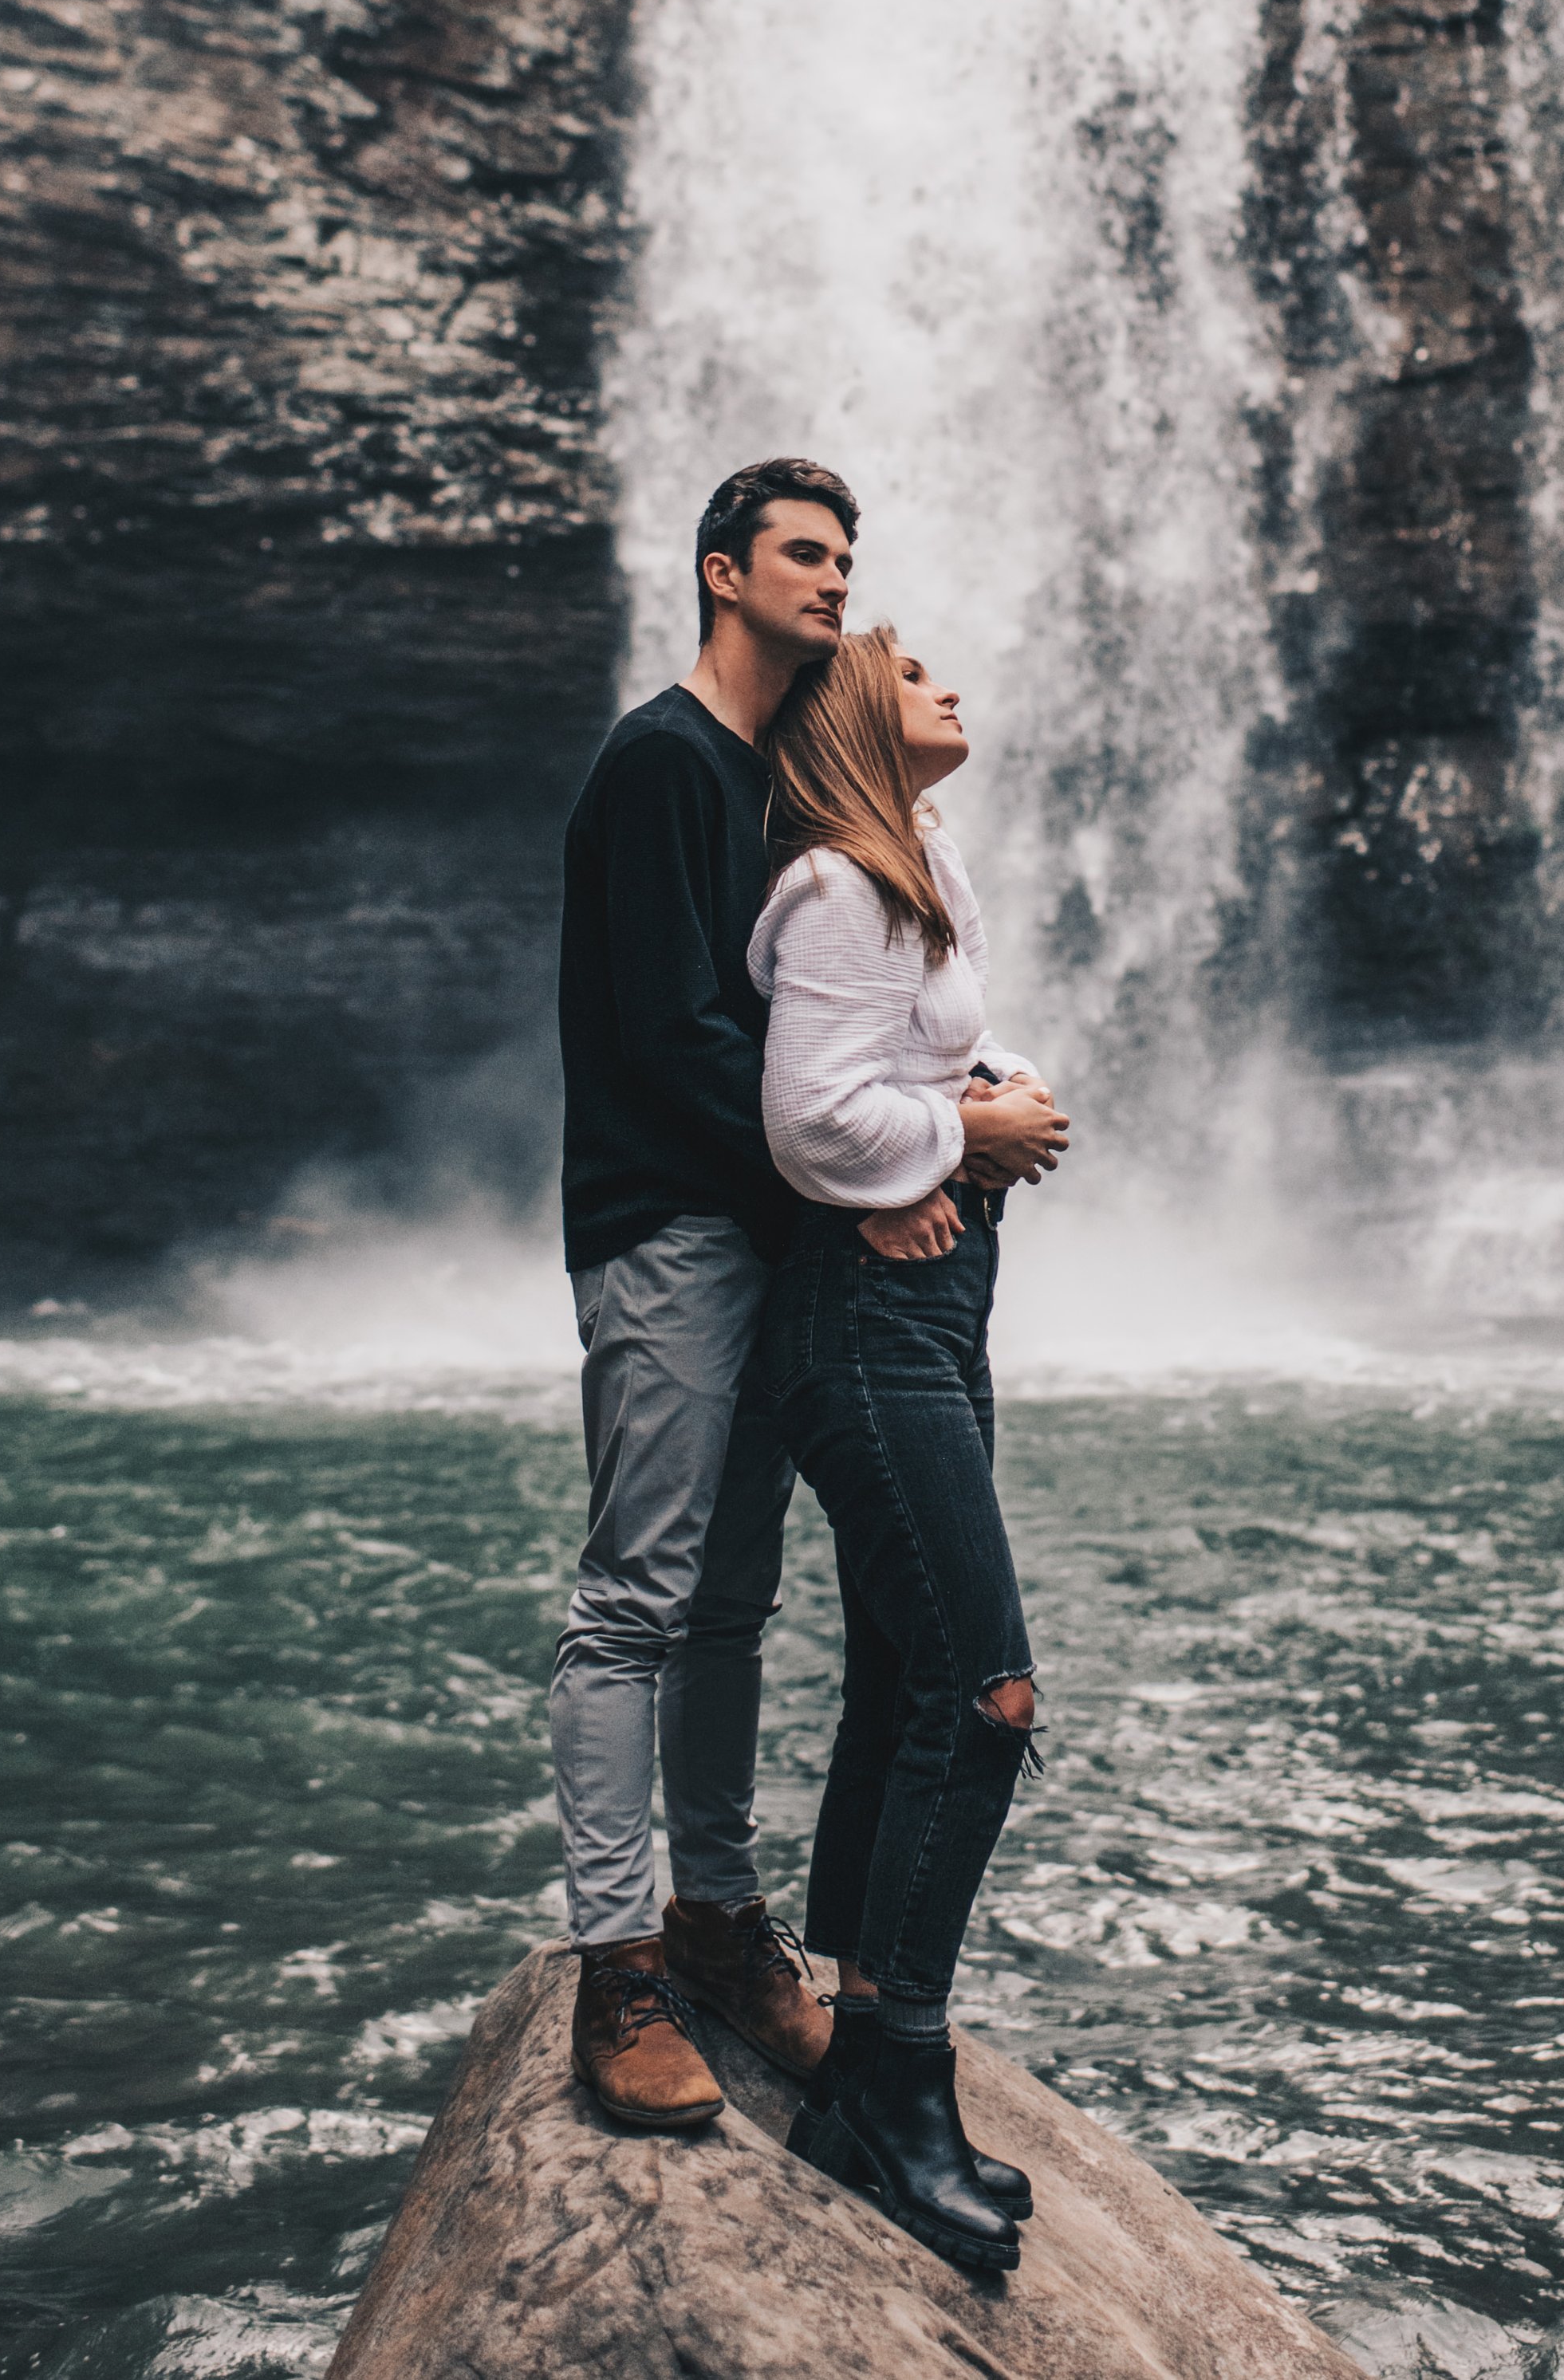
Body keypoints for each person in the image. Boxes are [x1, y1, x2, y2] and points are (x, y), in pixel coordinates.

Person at [743, 627, 1070, 2272]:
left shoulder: (916, 859)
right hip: (863, 1324)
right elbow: (811, 1119)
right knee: (983, 1692)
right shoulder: (833, 885)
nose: (946, 682)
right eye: (910, 666)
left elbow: (906, 1061)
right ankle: (901, 2083)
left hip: (934, 1306)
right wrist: (960, 1135)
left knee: (898, 1683)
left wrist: (986, 1085)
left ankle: (865, 2079)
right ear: (855, 717)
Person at [551, 458, 864, 2131]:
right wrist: (881, 1165)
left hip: (764, 1231)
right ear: (718, 572)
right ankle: (615, 1964)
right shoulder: (664, 761)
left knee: (734, 1599)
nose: (830, 581)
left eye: (841, 558)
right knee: (637, 1599)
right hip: (671, 1227)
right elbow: (675, 1042)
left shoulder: (779, 779)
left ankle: (720, 1921)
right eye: (800, 556)